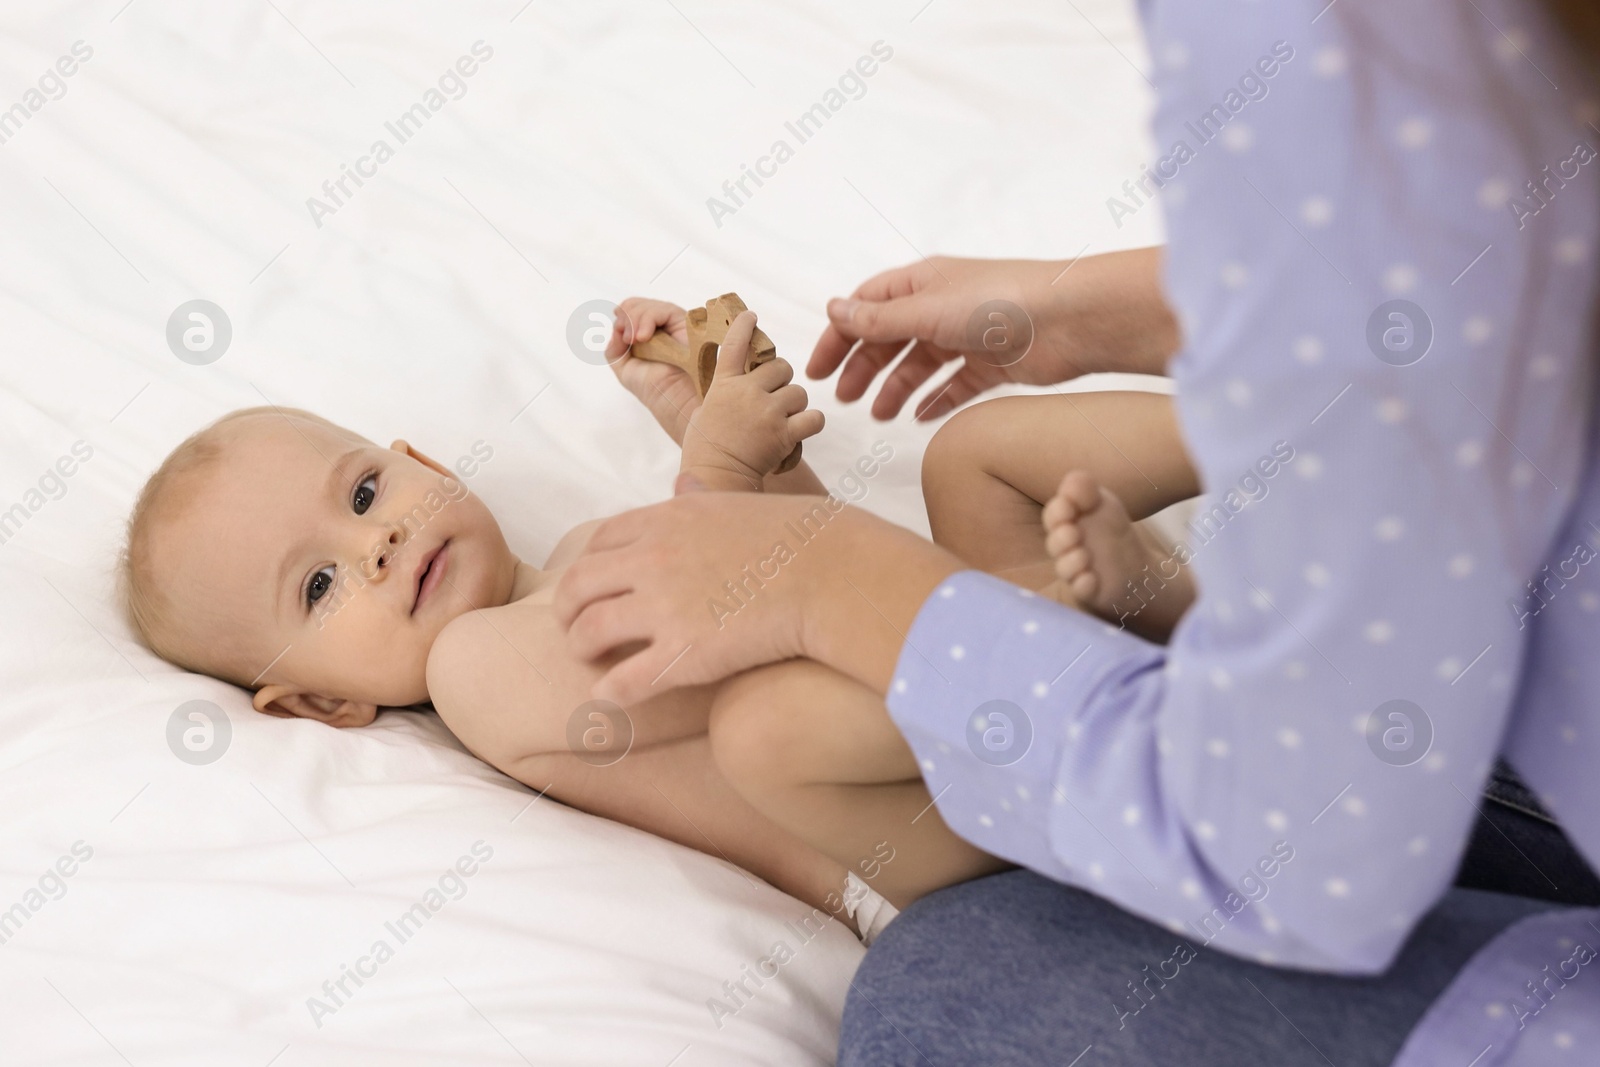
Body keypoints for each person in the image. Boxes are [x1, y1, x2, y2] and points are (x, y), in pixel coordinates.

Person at [552, 1, 1600, 1062]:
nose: (387, 550)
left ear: (413, 456)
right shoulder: (464, 661)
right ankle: (1243, 483)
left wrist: (789, 534)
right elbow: (1459, 251)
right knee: (801, 712)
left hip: (1174, 814)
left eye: (367, 493)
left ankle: (1253, 466)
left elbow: (1302, 850)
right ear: (362, 709)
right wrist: (1087, 311)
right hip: (1084, 788)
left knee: (916, 939)